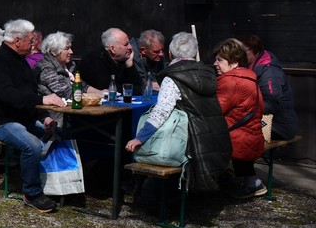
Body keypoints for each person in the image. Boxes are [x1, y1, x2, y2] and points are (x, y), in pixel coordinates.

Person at [125, 32, 230, 193]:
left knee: (150, 148)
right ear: (194, 53)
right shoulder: (209, 74)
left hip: (191, 140)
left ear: (170, 53)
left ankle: (147, 194)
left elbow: (161, 111)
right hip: (215, 136)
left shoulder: (173, 77)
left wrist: (140, 138)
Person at [0, 19, 65, 213]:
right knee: (32, 145)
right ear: (17, 40)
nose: (34, 43)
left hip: (23, 119)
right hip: (0, 121)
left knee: (58, 135)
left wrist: (44, 117)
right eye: (30, 39)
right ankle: (32, 192)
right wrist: (44, 100)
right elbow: (8, 95)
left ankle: (58, 185)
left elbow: (29, 94)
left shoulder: (21, 62)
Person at [214, 38, 265, 198]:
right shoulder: (249, 78)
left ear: (234, 62)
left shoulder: (231, 82)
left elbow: (215, 110)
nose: (215, 63)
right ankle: (252, 183)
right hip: (251, 134)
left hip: (237, 137)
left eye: (220, 60)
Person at [241, 34, 298, 141]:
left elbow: (271, 104)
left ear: (255, 50)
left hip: (279, 126)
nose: (240, 54)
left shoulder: (269, 73)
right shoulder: (250, 66)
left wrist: (243, 108)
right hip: (263, 121)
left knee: (235, 135)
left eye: (243, 51)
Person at [79, 27, 144, 95]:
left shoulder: (122, 59)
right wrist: (131, 89)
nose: (130, 47)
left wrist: (130, 66)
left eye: (129, 43)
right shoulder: (94, 60)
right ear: (113, 49)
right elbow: (108, 88)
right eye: (126, 44)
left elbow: (139, 87)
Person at [34, 32, 75, 100]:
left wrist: (98, 93)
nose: (71, 52)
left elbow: (82, 86)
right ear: (54, 51)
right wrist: (89, 97)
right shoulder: (46, 69)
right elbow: (65, 93)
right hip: (53, 109)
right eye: (67, 48)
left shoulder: (70, 65)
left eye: (70, 48)